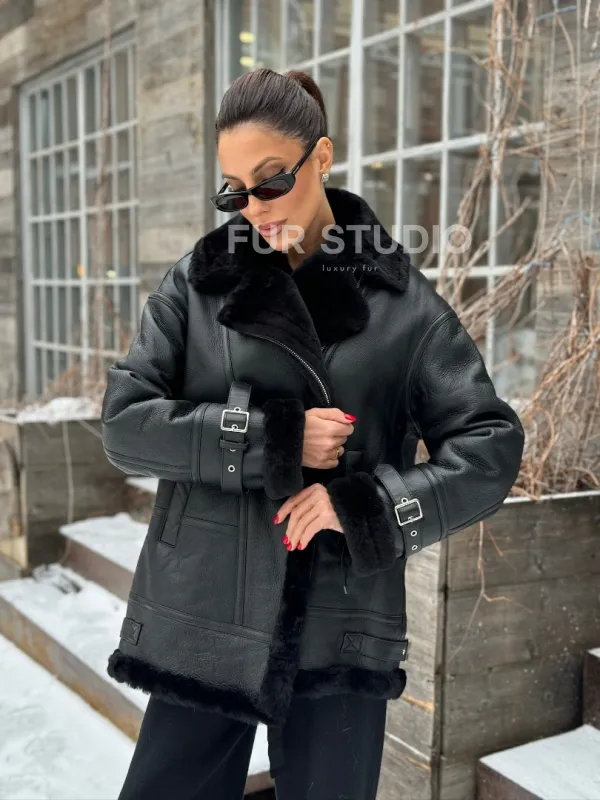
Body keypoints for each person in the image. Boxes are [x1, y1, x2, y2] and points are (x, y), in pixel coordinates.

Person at [101, 67, 525, 800]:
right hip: (204, 606)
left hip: (339, 619)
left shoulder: (402, 307)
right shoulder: (199, 285)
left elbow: (490, 446)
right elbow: (123, 425)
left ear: (321, 157)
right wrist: (271, 439)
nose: (254, 208)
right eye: (234, 191)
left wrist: (365, 506)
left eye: (271, 181)